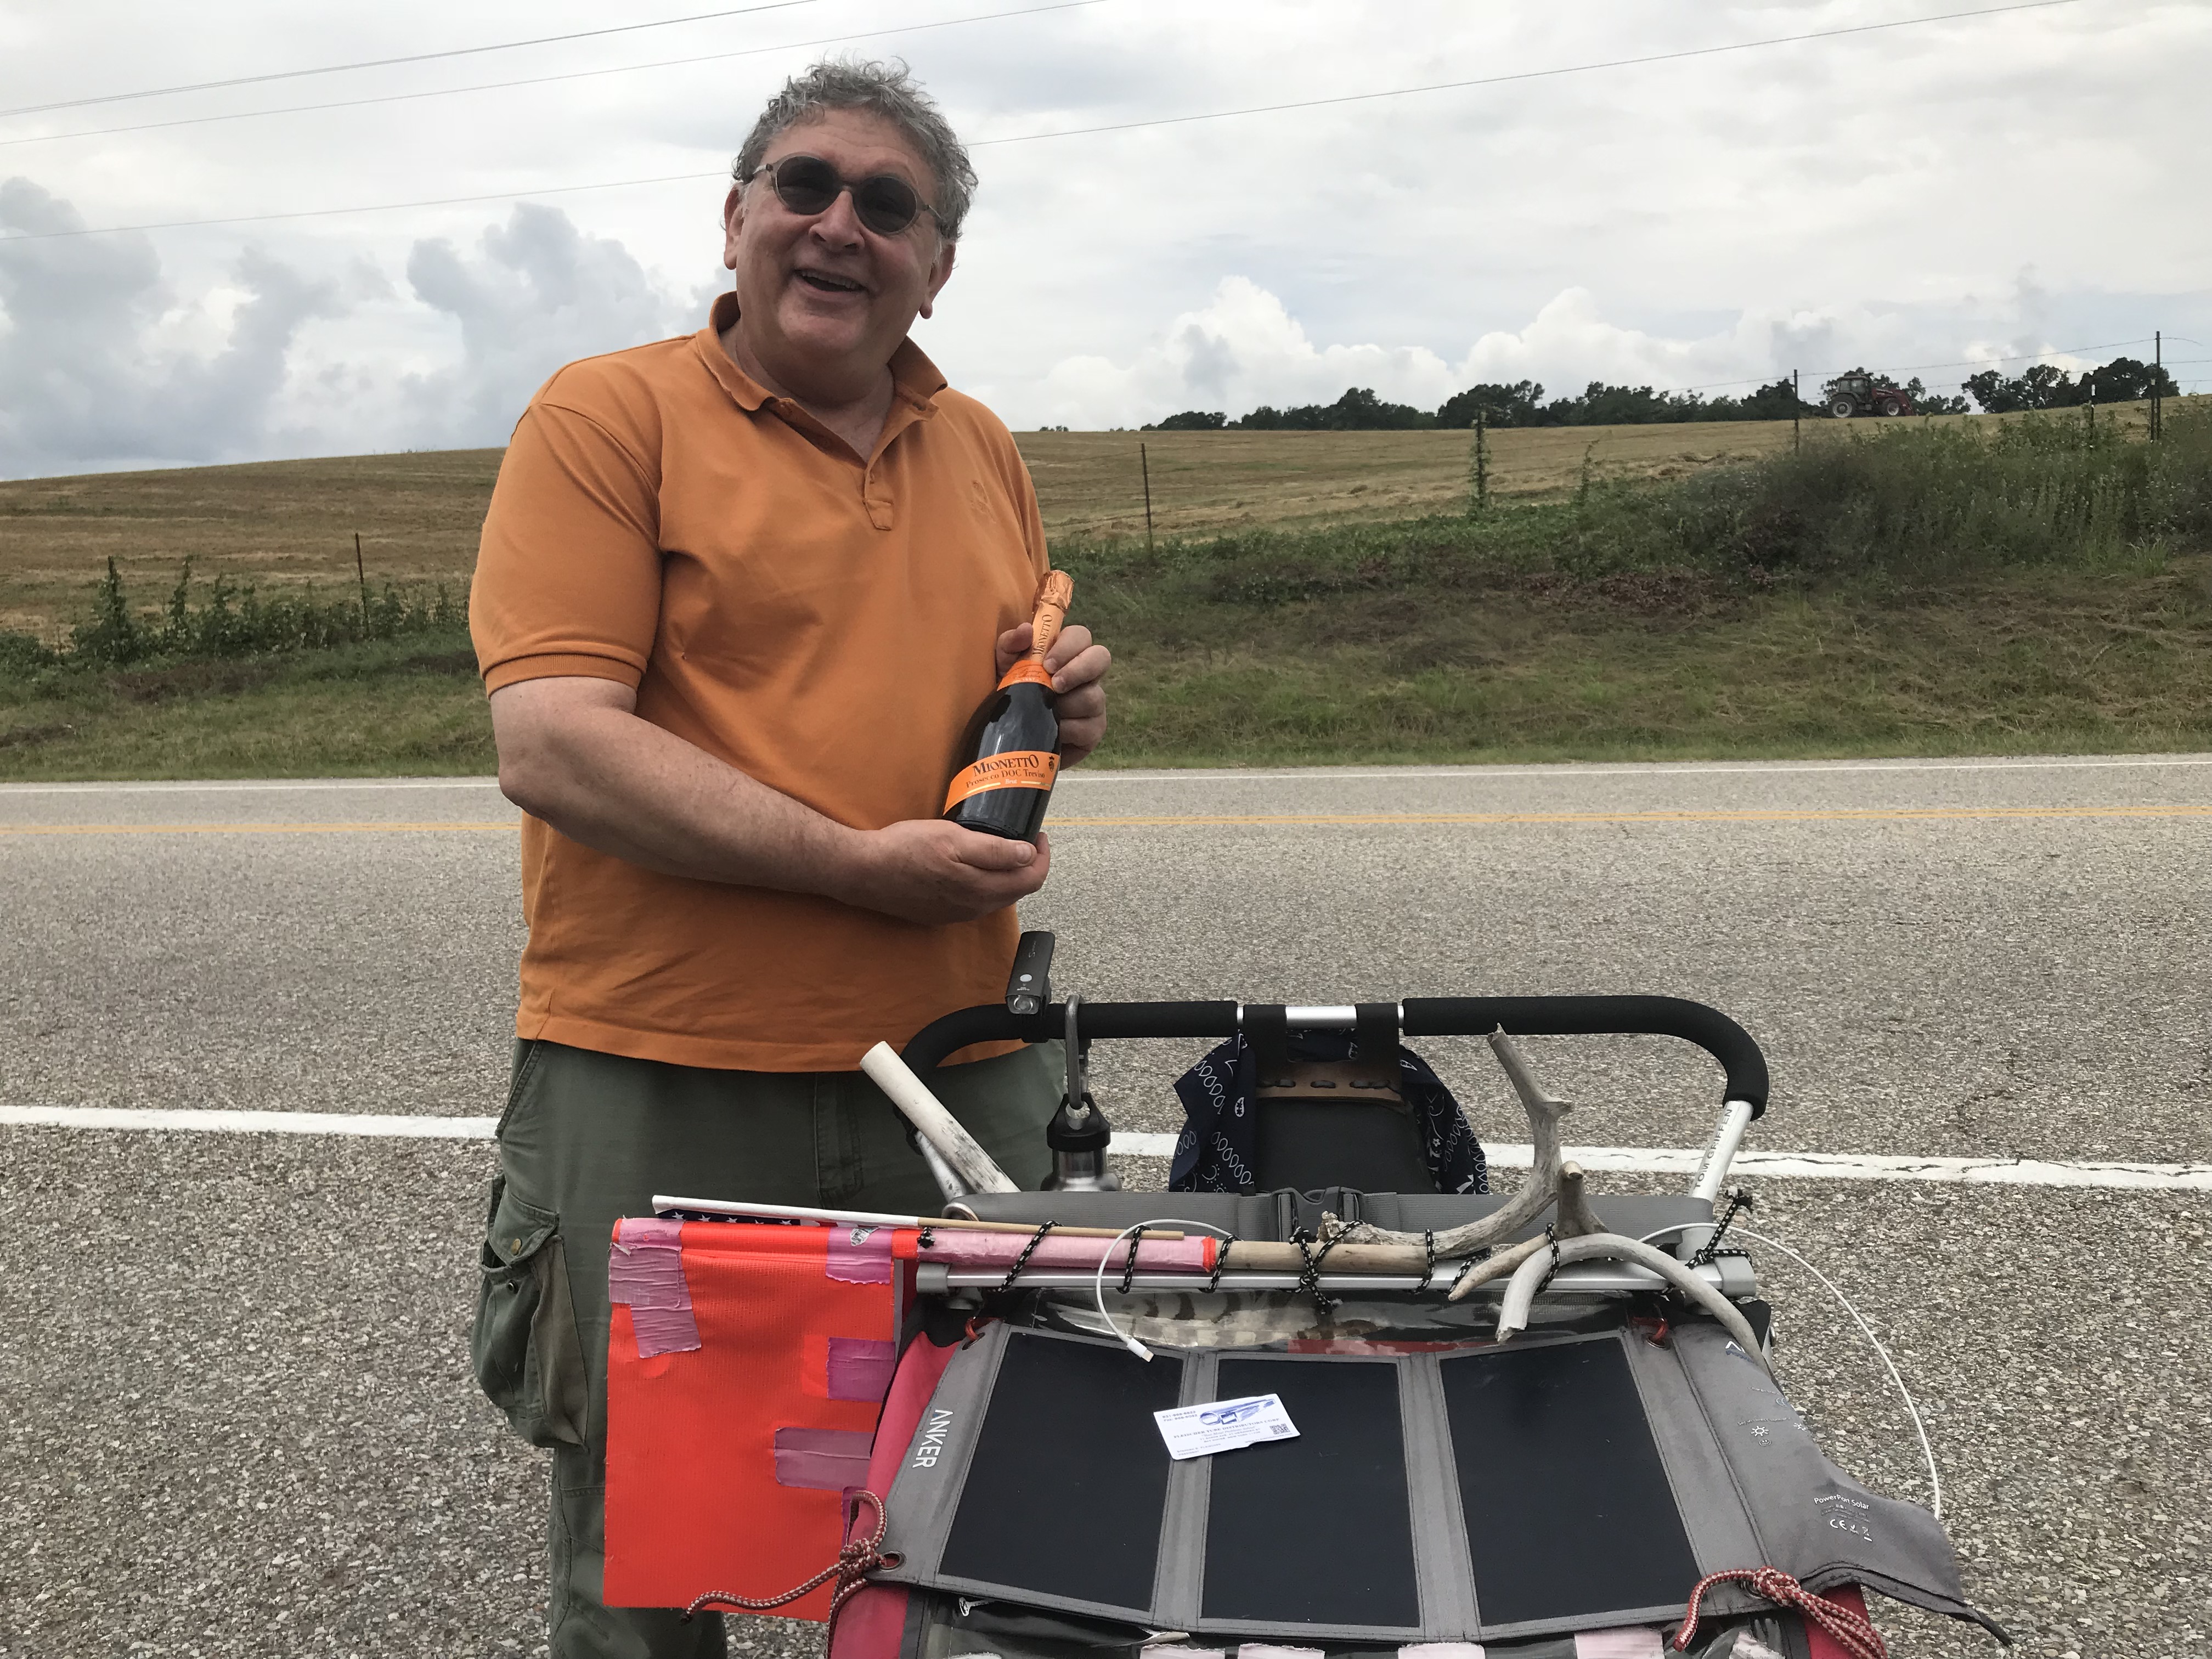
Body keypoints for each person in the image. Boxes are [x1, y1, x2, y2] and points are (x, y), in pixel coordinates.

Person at [465, 59, 1109, 1659]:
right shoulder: (608, 416)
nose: (839, 227)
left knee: (1000, 1497)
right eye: (804, 186)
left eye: (889, 207)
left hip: (962, 1072)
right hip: (664, 1069)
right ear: (735, 217)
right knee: (653, 1541)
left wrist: (1053, 713)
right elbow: (554, 743)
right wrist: (853, 866)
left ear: (937, 265)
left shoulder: (983, 447)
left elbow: (973, 715)